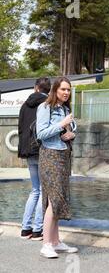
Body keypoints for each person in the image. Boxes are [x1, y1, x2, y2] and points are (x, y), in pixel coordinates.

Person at [36, 77, 78, 258]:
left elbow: (68, 130)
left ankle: (55, 242)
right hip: (50, 156)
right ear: (55, 90)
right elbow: (41, 133)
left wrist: (70, 133)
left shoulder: (65, 108)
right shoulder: (45, 107)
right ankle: (46, 244)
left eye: (68, 90)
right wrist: (61, 124)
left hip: (63, 155)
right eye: (63, 89)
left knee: (58, 199)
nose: (66, 92)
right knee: (53, 199)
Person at [17, 78, 51, 241]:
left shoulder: (24, 105)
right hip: (42, 150)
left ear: (35, 88)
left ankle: (25, 229)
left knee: (35, 190)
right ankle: (38, 230)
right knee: (43, 190)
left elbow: (20, 128)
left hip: (27, 151)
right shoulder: (48, 103)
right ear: (49, 90)